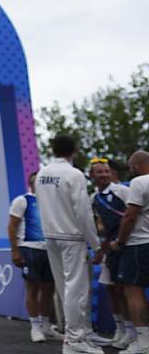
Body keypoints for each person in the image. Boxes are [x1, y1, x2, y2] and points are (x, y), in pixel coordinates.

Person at [35, 134, 102, 354]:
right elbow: (83, 212)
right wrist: (96, 243)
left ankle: (78, 336)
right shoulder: (74, 174)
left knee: (65, 289)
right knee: (77, 289)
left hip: (50, 235)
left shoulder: (42, 173)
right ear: (74, 149)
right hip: (71, 236)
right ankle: (75, 340)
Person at [9, 173, 65, 343]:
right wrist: (15, 251)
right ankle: (35, 326)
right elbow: (12, 227)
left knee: (49, 289)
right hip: (30, 248)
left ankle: (46, 325)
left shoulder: (52, 203)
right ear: (32, 184)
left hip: (50, 250)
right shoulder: (23, 200)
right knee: (33, 289)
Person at [88, 158, 136, 349]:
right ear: (92, 176)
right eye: (99, 172)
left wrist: (121, 241)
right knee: (111, 289)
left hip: (126, 246)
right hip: (109, 248)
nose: (104, 175)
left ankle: (132, 332)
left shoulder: (122, 191)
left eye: (106, 171)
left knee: (123, 289)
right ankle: (120, 330)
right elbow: (101, 224)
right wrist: (101, 248)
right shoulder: (93, 198)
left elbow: (134, 216)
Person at [113, 150, 149, 354]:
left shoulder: (139, 182)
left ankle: (144, 343)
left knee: (133, 291)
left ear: (136, 165)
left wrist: (119, 241)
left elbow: (129, 217)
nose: (129, 169)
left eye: (130, 166)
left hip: (139, 244)